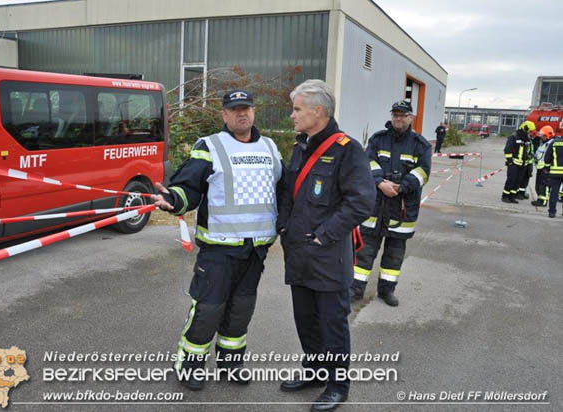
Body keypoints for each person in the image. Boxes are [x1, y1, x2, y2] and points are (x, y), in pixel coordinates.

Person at [150, 89, 284, 390]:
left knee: (240, 311)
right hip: (219, 250)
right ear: (223, 115)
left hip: (255, 251)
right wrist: (175, 199)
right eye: (234, 109)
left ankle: (231, 363)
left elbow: (281, 188)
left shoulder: (270, 147)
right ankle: (190, 365)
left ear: (254, 112)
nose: (242, 113)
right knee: (208, 309)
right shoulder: (210, 146)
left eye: (246, 108)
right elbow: (188, 186)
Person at [277, 79, 375, 412]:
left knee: (331, 323)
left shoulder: (347, 150)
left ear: (318, 112)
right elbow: (289, 192)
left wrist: (324, 235)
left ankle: (337, 385)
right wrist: (283, 225)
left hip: (328, 255)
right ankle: (316, 371)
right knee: (305, 320)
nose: (292, 116)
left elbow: (362, 201)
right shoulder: (300, 145)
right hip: (299, 253)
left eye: (297, 109)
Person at [350, 100, 431, 307]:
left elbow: (422, 173)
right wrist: (379, 183)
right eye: (395, 114)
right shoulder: (378, 139)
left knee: (394, 256)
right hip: (376, 205)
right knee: (364, 252)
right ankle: (355, 289)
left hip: (402, 208)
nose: (398, 118)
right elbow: (367, 162)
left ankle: (387, 291)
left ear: (410, 117)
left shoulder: (421, 145)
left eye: (402, 115)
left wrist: (400, 187)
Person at [502, 121, 536, 203]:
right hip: (514, 164)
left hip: (523, 165)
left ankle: (512, 197)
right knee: (511, 180)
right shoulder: (513, 137)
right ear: (525, 128)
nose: (530, 133)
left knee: (518, 181)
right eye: (530, 131)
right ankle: (505, 196)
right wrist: (510, 161)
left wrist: (530, 155)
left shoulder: (526, 139)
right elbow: (507, 150)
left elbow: (528, 150)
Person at [531, 126, 555, 207]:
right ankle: (539, 199)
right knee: (538, 185)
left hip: (546, 168)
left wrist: (547, 167)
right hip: (540, 168)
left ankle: (543, 201)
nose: (541, 137)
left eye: (543, 135)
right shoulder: (543, 144)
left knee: (544, 185)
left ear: (548, 135)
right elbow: (538, 154)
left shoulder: (551, 144)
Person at [543, 131, 563, 218]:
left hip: (555, 172)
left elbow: (547, 157)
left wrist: (546, 168)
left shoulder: (554, 142)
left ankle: (552, 212)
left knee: (554, 193)